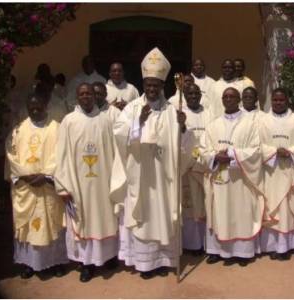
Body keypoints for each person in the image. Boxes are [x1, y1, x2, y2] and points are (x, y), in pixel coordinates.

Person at [110, 47, 193, 279]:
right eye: (148, 86)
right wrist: (139, 121)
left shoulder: (172, 110)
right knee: (144, 215)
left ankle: (165, 260)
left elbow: (184, 145)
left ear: (162, 86)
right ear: (144, 86)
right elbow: (120, 135)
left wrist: (183, 127)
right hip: (141, 175)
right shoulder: (133, 108)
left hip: (164, 175)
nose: (152, 89)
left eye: (156, 85)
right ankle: (145, 264)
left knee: (164, 214)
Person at [55, 83, 118, 282]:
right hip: (78, 184)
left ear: (94, 96)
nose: (85, 97)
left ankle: (107, 257)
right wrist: (63, 186)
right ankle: (86, 264)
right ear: (77, 97)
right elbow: (62, 156)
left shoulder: (105, 121)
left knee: (104, 218)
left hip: (102, 182)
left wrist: (115, 182)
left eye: (89, 93)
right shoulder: (69, 121)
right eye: (82, 94)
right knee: (83, 220)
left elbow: (114, 154)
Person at [5, 93, 68, 279]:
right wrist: (26, 175)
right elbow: (11, 154)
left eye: (38, 106)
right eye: (31, 106)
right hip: (26, 187)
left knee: (52, 224)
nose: (34, 109)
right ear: (27, 106)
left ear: (45, 105)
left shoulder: (56, 128)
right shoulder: (18, 130)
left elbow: (61, 153)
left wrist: (46, 174)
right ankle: (29, 263)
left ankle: (56, 261)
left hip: (48, 185)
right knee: (28, 228)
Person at [200, 87, 264, 266]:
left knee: (240, 213)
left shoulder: (250, 124)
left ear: (239, 100)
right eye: (225, 97)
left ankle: (242, 252)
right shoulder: (213, 125)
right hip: (219, 178)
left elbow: (256, 151)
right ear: (222, 100)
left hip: (240, 180)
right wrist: (214, 157)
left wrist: (232, 155)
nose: (228, 99)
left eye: (232, 96)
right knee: (218, 211)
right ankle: (216, 250)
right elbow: (203, 150)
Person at [258, 88, 294, 260]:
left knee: (289, 207)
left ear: (287, 101)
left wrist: (291, 151)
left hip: (291, 171)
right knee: (272, 206)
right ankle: (272, 246)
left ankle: (289, 245)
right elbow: (256, 144)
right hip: (270, 172)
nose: (278, 103)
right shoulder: (262, 121)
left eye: (281, 100)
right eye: (275, 100)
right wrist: (274, 152)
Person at [180, 83, 212, 254]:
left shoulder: (209, 113)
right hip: (186, 167)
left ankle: (206, 243)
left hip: (204, 166)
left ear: (201, 95)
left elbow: (213, 136)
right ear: (184, 95)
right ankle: (191, 244)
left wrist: (202, 156)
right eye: (189, 94)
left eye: (196, 93)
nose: (193, 96)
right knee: (188, 206)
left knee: (205, 204)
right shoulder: (179, 114)